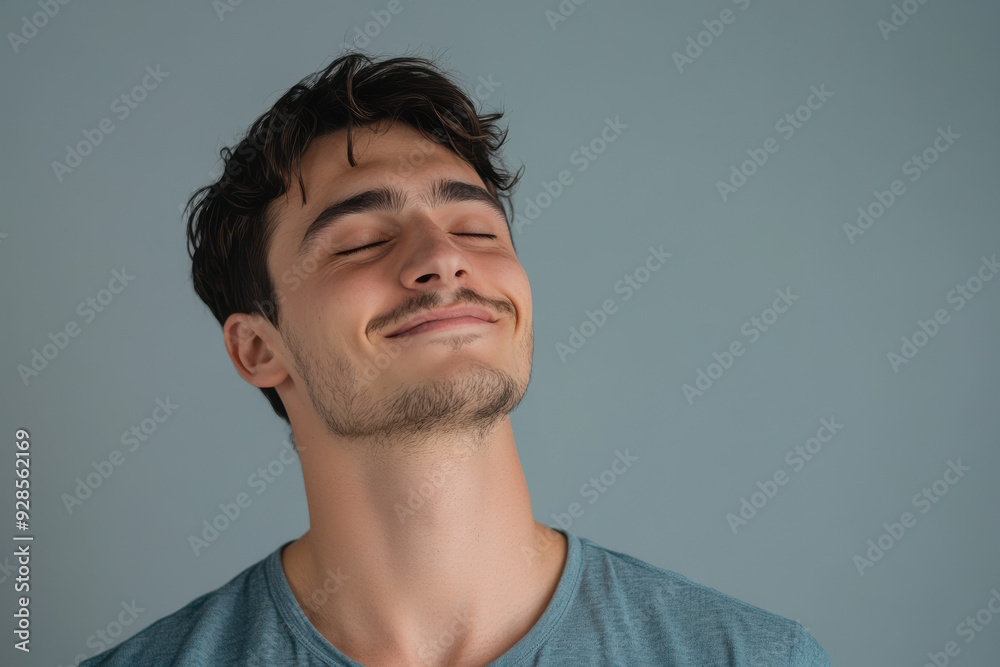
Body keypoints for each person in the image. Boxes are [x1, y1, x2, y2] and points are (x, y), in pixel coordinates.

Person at [82, 50, 832, 666]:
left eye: (475, 229)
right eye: (361, 242)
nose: (443, 258)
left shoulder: (754, 658)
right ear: (257, 348)